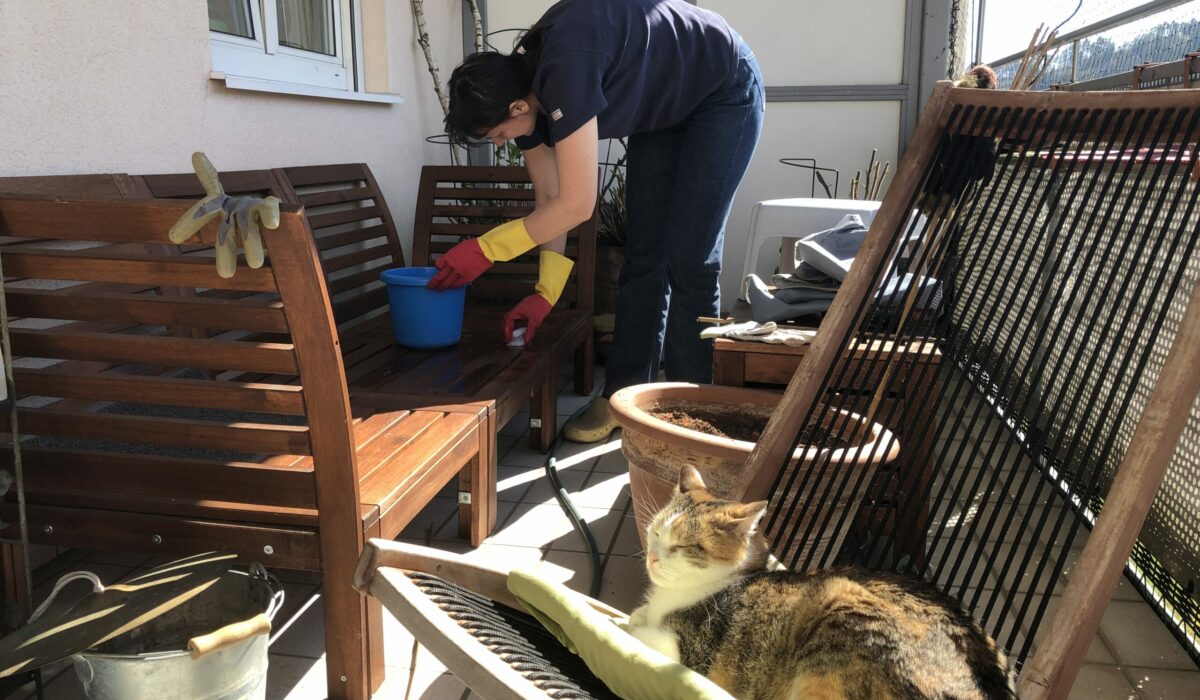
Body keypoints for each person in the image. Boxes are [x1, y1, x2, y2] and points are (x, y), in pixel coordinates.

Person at [433, 0, 764, 442]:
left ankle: (692, 414)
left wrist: (484, 249)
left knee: (691, 260)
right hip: (666, 107)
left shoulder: (565, 70)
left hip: (724, 87)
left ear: (515, 108)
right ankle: (624, 401)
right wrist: (545, 293)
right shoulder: (528, 96)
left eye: (497, 135)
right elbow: (551, 198)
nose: (500, 144)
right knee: (645, 256)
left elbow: (577, 204)